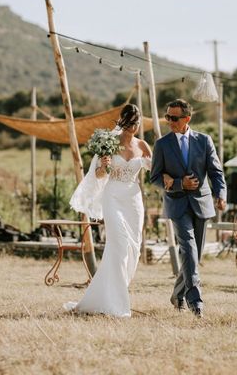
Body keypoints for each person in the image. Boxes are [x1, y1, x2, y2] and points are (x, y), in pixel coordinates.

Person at [65, 104, 152, 317]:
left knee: (133, 248)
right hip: (113, 196)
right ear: (122, 122)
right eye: (130, 123)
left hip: (133, 199)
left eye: (136, 123)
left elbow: (155, 168)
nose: (133, 127)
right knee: (119, 245)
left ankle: (106, 294)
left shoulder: (142, 145)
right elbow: (99, 175)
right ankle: (118, 304)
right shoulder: (109, 143)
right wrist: (104, 166)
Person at [150, 98, 226, 318]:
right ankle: (196, 303)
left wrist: (220, 194)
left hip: (202, 204)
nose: (169, 122)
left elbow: (215, 172)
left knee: (194, 255)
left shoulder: (204, 140)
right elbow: (154, 177)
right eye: (167, 117)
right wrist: (177, 183)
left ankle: (177, 294)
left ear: (187, 119)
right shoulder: (162, 145)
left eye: (174, 118)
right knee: (190, 250)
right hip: (177, 205)